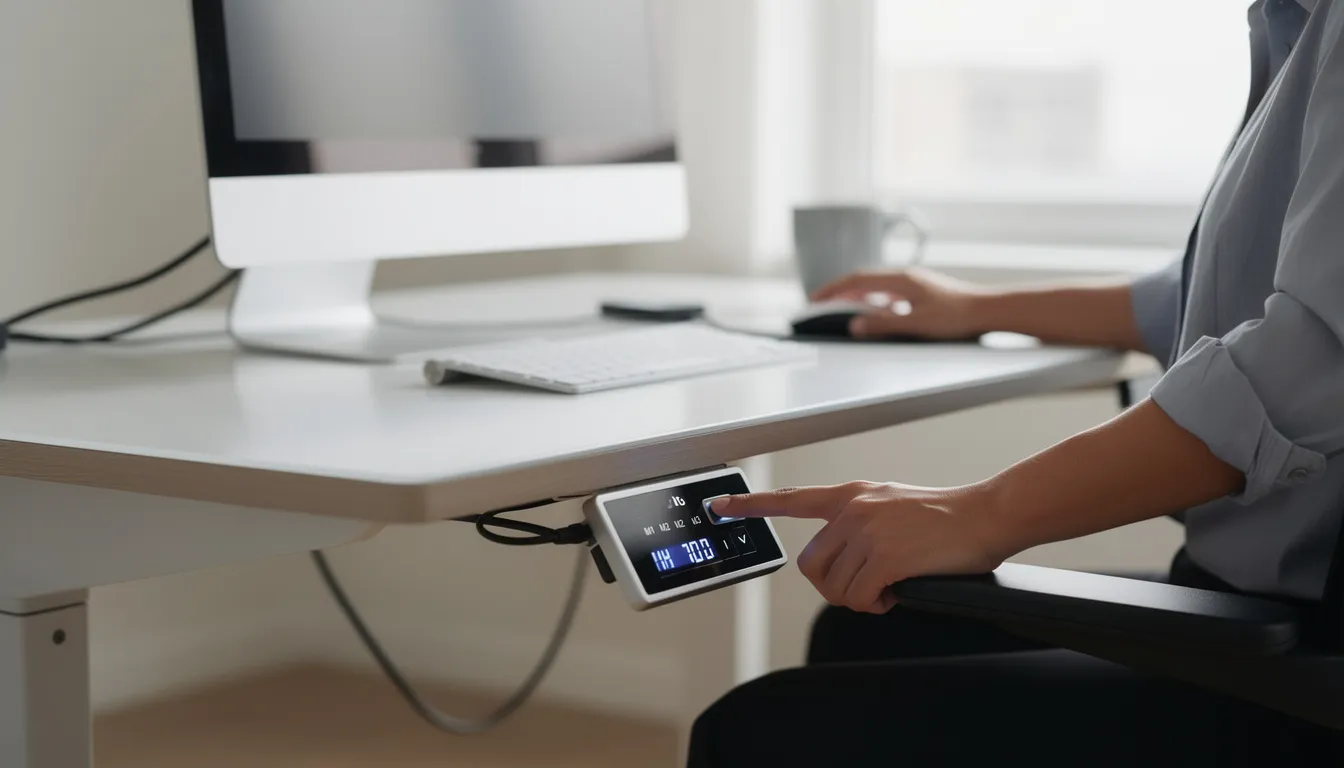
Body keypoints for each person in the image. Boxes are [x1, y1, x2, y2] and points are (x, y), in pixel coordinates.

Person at [689, 0, 1344, 765]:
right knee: (869, 623)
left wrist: (981, 513)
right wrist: (972, 306)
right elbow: (1211, 296)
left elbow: (1311, 357)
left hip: (1312, 637)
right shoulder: (1293, 23)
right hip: (1268, 595)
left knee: (757, 732)